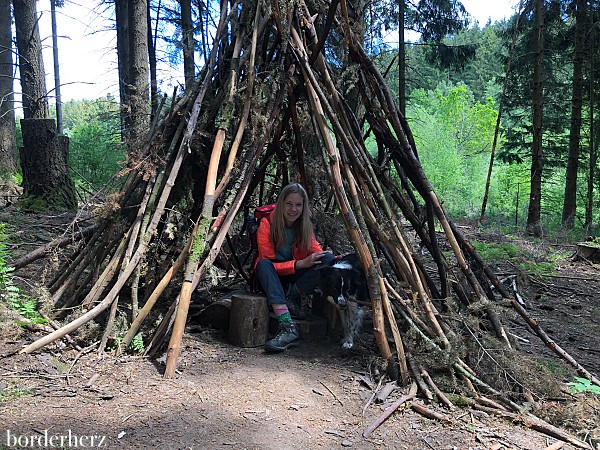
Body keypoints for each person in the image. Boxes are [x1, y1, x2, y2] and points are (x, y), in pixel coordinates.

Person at [252, 183, 334, 352]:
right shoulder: (267, 224)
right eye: (288, 203)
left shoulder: (303, 226)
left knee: (327, 258)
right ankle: (287, 326)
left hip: (291, 279)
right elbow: (269, 263)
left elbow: (315, 250)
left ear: (303, 207)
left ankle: (292, 296)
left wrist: (328, 257)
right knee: (263, 264)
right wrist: (299, 264)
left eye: (298, 205)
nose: (293, 209)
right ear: (281, 203)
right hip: (269, 276)